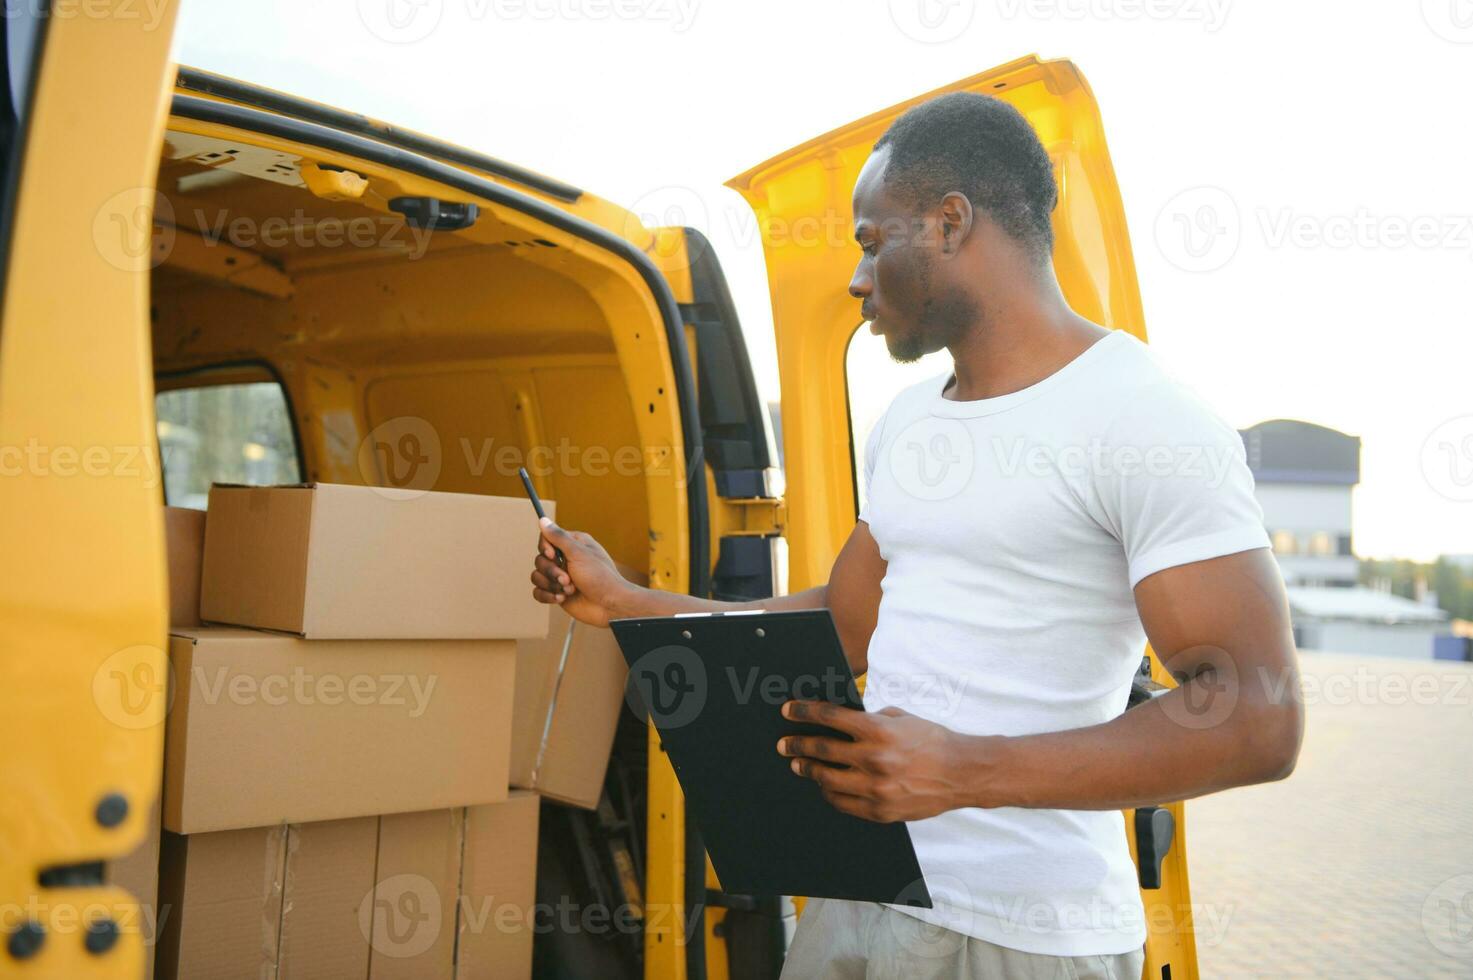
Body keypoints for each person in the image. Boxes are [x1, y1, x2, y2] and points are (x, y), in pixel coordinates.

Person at [529, 92, 1302, 980]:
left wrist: (965, 772)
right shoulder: (907, 422)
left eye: (869, 239)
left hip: (1028, 939)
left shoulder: (1143, 417)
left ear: (947, 224)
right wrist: (623, 601)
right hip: (858, 899)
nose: (857, 278)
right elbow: (840, 626)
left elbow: (1257, 713)